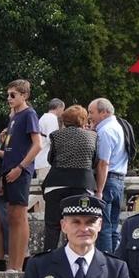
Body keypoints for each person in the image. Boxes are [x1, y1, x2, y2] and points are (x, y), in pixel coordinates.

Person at [38, 105, 98, 257]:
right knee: (79, 223)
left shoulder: (56, 135)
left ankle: (48, 258)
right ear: (83, 120)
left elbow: (51, 159)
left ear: (64, 119)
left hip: (57, 182)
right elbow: (94, 160)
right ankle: (75, 256)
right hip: (83, 184)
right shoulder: (92, 136)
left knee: (52, 225)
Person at [89, 98, 132, 253]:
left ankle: (106, 262)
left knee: (104, 227)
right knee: (113, 226)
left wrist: (99, 190)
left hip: (107, 180)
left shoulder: (106, 131)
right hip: (119, 180)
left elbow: (103, 163)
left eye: (92, 112)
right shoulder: (119, 126)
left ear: (104, 112)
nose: (89, 116)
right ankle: (114, 260)